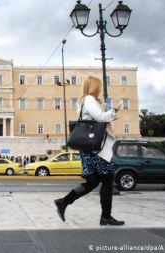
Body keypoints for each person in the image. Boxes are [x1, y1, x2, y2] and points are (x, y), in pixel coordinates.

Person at [54, 77, 124, 226]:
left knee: (92, 181)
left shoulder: (82, 101)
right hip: (97, 149)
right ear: (94, 88)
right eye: (99, 88)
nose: (100, 91)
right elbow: (99, 118)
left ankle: (64, 202)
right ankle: (106, 216)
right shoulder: (90, 99)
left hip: (88, 148)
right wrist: (114, 111)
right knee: (107, 179)